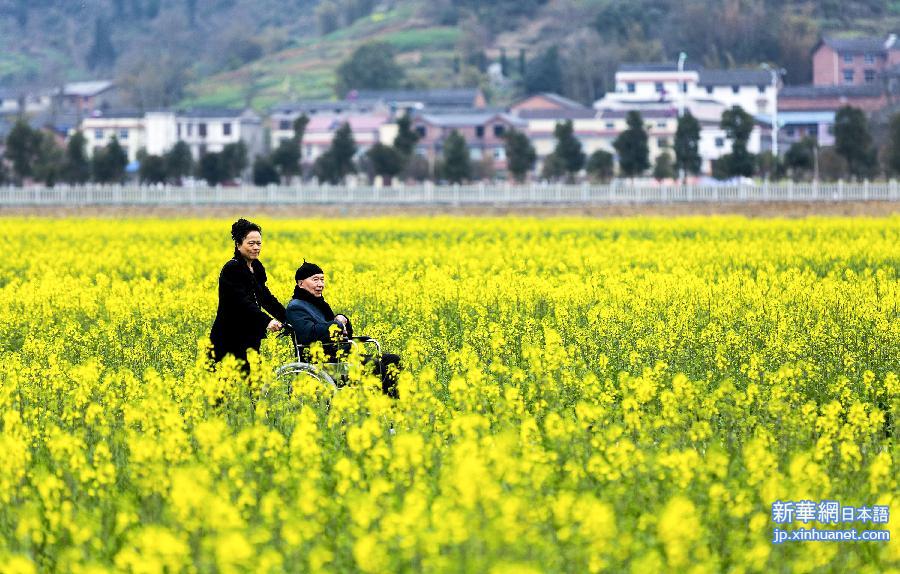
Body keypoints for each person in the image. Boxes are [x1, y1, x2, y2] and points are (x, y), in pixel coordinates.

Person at [285, 261, 400, 398]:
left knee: (393, 360)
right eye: (315, 280)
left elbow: (337, 331)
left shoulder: (317, 304)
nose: (320, 284)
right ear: (301, 283)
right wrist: (337, 323)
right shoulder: (296, 307)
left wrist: (342, 320)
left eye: (322, 280)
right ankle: (382, 405)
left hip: (338, 354)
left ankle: (394, 405)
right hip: (323, 359)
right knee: (374, 364)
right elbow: (309, 334)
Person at [209, 218, 285, 372]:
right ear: (238, 245)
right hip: (229, 337)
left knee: (251, 386)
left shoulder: (256, 267)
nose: (256, 247)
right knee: (223, 388)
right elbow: (242, 303)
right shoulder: (232, 269)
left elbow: (265, 298)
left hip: (249, 335)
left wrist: (287, 317)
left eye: (259, 243)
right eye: (251, 244)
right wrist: (267, 321)